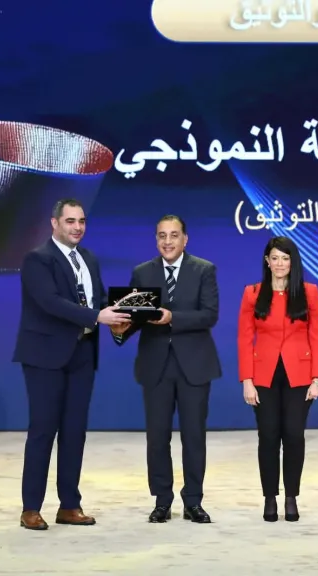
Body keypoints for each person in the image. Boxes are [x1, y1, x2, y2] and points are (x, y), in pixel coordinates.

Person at [12, 198, 131, 531]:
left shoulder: (88, 258)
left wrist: (124, 316)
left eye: (81, 221)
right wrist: (97, 317)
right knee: (43, 430)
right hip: (44, 357)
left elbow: (99, 299)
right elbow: (50, 302)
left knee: (74, 432)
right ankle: (31, 508)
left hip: (82, 355)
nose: (77, 227)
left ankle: (69, 505)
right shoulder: (37, 259)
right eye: (70, 221)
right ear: (54, 223)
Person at [110, 215, 222, 524]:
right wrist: (119, 329)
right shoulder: (142, 272)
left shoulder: (204, 270)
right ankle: (162, 501)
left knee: (193, 437)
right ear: (156, 239)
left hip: (194, 365)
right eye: (162, 235)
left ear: (185, 239)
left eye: (174, 235)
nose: (168, 241)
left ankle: (193, 501)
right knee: (157, 437)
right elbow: (134, 317)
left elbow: (209, 315)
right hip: (155, 365)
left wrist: (173, 317)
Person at [237, 236, 318, 522]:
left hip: (299, 375)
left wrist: (317, 378)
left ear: (293, 262)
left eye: (285, 258)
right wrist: (247, 380)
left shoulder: (309, 292)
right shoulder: (252, 293)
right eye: (274, 258)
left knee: (293, 435)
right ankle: (269, 498)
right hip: (263, 376)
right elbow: (244, 338)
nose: (279, 264)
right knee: (268, 436)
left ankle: (291, 497)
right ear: (267, 261)